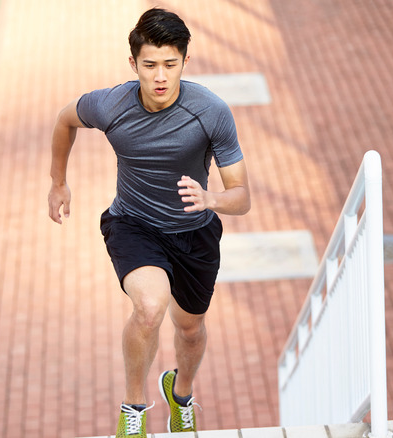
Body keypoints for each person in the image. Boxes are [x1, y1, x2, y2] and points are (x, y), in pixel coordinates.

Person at [47, 8, 250, 437]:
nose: (160, 76)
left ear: (185, 63)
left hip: (194, 231)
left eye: (170, 65)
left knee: (190, 330)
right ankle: (134, 409)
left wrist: (211, 199)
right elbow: (65, 120)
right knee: (149, 307)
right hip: (133, 224)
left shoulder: (210, 112)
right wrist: (58, 182)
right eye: (150, 65)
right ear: (133, 64)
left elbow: (242, 196)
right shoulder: (112, 104)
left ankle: (181, 394)